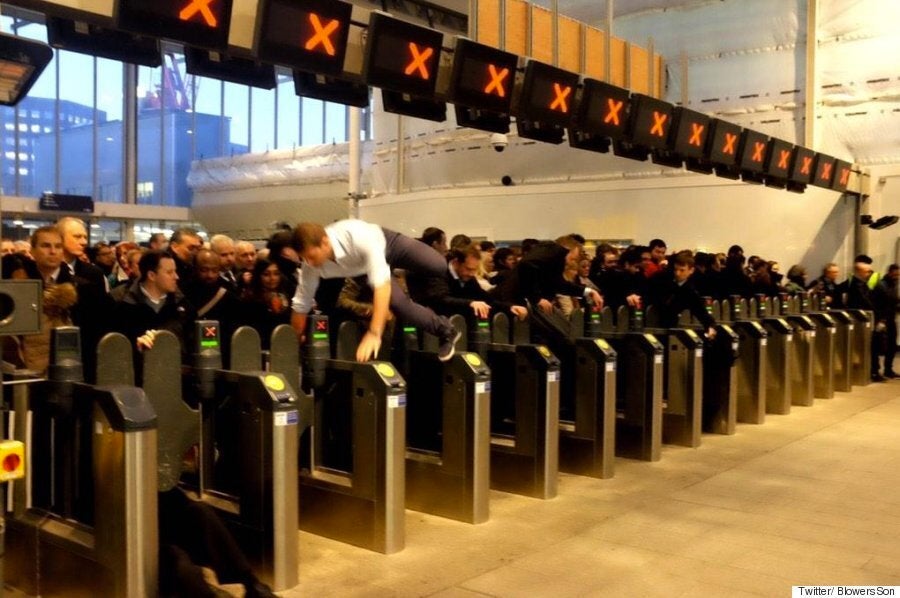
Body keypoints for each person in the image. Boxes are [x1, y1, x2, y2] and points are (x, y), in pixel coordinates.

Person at [290, 220, 461, 362]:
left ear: (325, 242)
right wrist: (295, 339)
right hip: (364, 268)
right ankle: (446, 331)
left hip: (389, 244)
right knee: (399, 304)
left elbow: (382, 287)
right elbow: (301, 304)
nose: (309, 263)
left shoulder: (357, 238)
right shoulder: (309, 266)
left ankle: (398, 272)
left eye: (311, 257)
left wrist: (374, 333)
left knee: (439, 266)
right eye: (304, 258)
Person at [407, 244, 527, 321]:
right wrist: (470, 303)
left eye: (474, 270)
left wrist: (510, 307)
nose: (471, 274)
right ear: (456, 262)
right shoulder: (438, 271)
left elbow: (485, 299)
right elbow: (441, 299)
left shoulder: (468, 277)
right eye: (469, 269)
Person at [58, 217, 112, 382]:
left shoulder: (93, 273)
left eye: (85, 237)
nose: (83, 242)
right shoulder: (50, 272)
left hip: (89, 348)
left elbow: (104, 313)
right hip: (59, 346)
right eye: (77, 236)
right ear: (60, 237)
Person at [646, 251, 717, 338]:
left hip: (669, 329)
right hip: (651, 324)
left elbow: (701, 312)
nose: (677, 273)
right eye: (676, 269)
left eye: (682, 270)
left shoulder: (690, 291)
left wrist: (710, 326)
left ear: (691, 270)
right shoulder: (662, 279)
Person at [241, 258, 292, 349]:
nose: (272, 278)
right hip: (260, 347)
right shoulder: (250, 299)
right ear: (258, 276)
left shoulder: (286, 296)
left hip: (285, 344)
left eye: (276, 274)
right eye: (266, 274)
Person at [874, 264, 899, 378]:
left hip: (891, 319)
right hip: (882, 320)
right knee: (880, 346)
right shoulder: (881, 285)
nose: (897, 276)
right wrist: (881, 319)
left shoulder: (893, 284)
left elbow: (894, 302)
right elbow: (880, 304)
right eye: (895, 274)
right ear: (890, 272)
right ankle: (876, 370)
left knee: (891, 346)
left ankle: (888, 369)